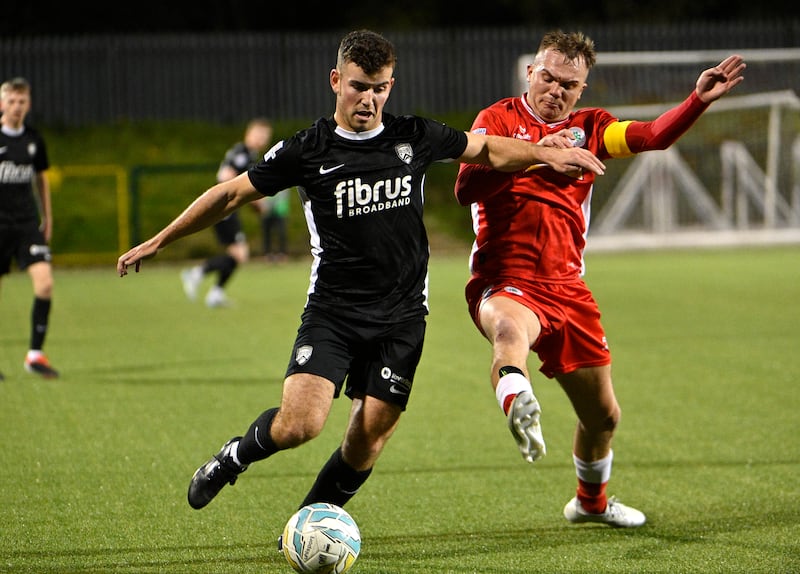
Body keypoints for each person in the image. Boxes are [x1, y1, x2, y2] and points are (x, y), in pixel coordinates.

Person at [117, 29, 604, 522]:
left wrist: (543, 151)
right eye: (358, 86)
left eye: (379, 88)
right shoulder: (306, 150)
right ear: (336, 81)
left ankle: (310, 522)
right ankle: (234, 456)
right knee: (300, 425)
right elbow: (228, 196)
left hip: (402, 318)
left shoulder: (412, 135)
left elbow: (487, 150)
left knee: (368, 436)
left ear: (390, 86)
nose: (368, 99)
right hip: (334, 311)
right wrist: (161, 239)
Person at [454, 30, 745, 528]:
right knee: (509, 333)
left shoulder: (592, 128)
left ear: (582, 88)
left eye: (569, 84)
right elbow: (465, 188)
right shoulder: (497, 120)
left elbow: (651, 136)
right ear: (531, 73)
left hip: (568, 290)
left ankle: (589, 503)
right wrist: (537, 153)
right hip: (506, 279)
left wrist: (696, 101)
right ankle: (515, 396)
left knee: (604, 416)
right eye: (548, 77)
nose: (556, 90)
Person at [0, 77, 59, 379]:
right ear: (2, 104)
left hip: (25, 224)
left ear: (28, 104)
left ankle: (35, 354)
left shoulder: (34, 140)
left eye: (22, 101)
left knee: (45, 284)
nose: (16, 107)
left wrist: (47, 217)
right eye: (11, 101)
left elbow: (41, 180)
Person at [180, 117, 273, 308]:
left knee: (238, 254)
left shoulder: (250, 155)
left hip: (227, 209)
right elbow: (226, 179)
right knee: (240, 254)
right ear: (249, 133)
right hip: (223, 209)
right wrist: (255, 203)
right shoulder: (242, 153)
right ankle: (198, 274)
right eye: (258, 134)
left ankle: (215, 292)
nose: (261, 139)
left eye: (265, 136)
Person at [258, 187, 290, 261]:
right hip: (266, 209)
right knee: (266, 233)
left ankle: (283, 253)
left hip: (280, 209)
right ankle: (267, 254)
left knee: (281, 233)